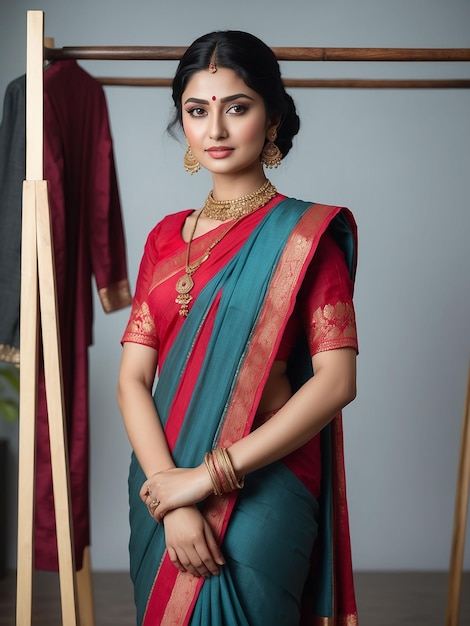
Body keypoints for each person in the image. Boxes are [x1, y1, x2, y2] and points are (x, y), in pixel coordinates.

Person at [117, 30, 359, 626]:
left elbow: (336, 384)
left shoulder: (306, 238)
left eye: (238, 108)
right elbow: (132, 379)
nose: (216, 131)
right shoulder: (164, 238)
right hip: (162, 485)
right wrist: (170, 495)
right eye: (197, 111)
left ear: (272, 117)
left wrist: (207, 478)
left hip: (262, 482)